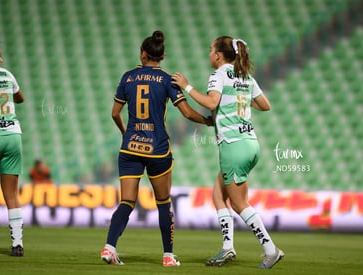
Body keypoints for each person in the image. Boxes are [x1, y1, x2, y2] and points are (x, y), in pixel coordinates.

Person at [100, 30, 212, 267]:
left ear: (143, 53)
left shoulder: (128, 77)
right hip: (157, 149)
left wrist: (125, 133)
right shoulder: (167, 80)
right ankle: (168, 257)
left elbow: (114, 113)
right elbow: (187, 112)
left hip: (130, 148)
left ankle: (109, 248)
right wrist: (208, 121)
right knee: (163, 202)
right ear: (162, 56)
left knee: (127, 202)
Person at [172, 36, 284, 269]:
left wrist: (187, 86)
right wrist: (239, 100)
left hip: (233, 145)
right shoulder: (246, 76)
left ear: (218, 55)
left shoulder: (220, 74)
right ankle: (228, 247)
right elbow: (265, 105)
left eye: (211, 49)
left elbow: (211, 103)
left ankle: (270, 249)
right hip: (250, 143)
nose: (209, 53)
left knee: (239, 203)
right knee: (218, 194)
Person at [0, 47, 25, 256]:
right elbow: (20, 98)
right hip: (12, 135)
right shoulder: (7, 75)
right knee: (11, 195)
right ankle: (17, 244)